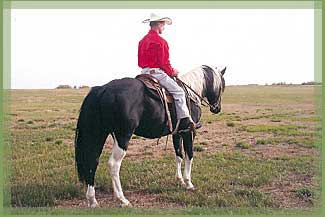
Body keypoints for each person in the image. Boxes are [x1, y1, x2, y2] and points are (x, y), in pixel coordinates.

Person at [138, 13, 199, 132]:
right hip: (156, 73)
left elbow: (140, 62)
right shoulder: (161, 41)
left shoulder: (142, 41)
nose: (164, 27)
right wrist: (173, 72)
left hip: (143, 72)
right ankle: (184, 122)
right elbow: (164, 63)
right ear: (158, 24)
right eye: (163, 24)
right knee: (179, 92)